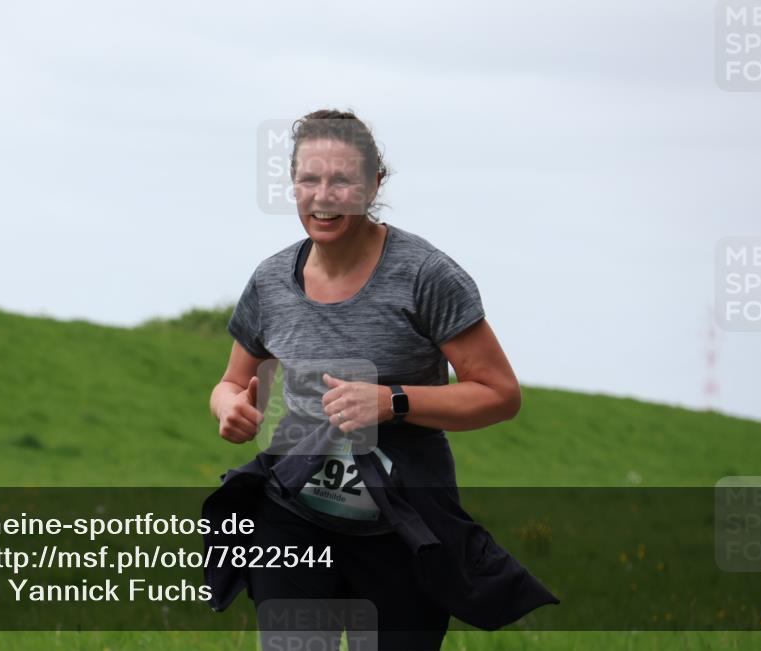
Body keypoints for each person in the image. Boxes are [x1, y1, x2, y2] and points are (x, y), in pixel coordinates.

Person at [204, 109, 559, 650]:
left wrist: (392, 402)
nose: (324, 196)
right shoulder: (271, 280)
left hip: (401, 525)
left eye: (342, 180)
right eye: (309, 179)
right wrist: (229, 407)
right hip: (291, 517)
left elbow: (499, 395)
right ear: (294, 184)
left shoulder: (425, 276)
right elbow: (230, 383)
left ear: (374, 183)